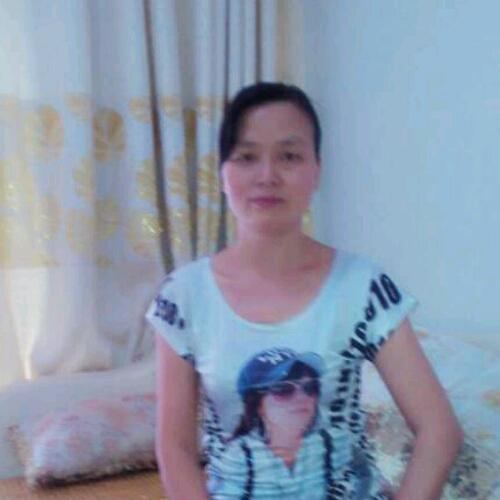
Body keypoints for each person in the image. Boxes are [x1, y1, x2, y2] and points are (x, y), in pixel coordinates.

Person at [146, 82, 463, 499]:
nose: (267, 176)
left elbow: (439, 430)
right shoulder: (184, 296)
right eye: (246, 157)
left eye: (289, 156)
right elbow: (175, 448)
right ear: (222, 174)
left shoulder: (361, 286)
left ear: (317, 170)